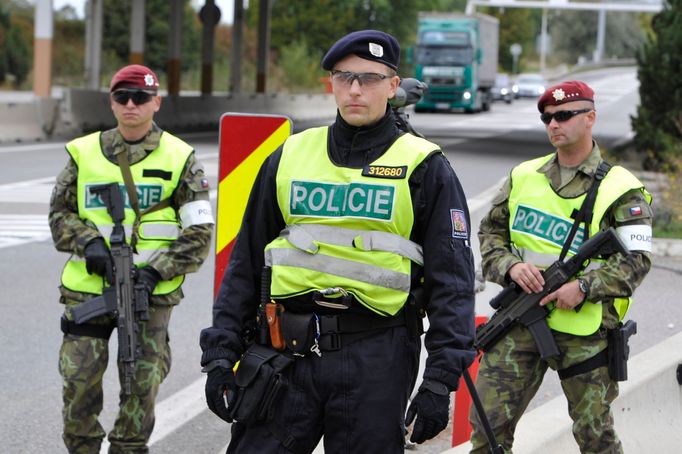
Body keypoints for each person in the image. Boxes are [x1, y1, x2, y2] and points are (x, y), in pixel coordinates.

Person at [200, 30, 477, 453]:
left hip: (376, 355)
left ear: (393, 85)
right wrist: (221, 351)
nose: (354, 89)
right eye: (344, 77)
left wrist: (439, 382)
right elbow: (247, 262)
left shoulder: (425, 166)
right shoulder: (288, 156)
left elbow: (452, 284)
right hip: (286, 353)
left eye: (368, 78)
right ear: (330, 83)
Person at [469, 80, 653, 453]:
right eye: (548, 118)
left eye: (565, 116)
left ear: (590, 118)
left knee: (595, 437)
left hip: (584, 330)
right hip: (520, 320)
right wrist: (509, 267)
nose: (554, 124)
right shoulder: (524, 176)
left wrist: (584, 287)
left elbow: (637, 260)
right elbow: (490, 233)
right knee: (487, 430)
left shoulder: (621, 188)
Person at [49, 64, 214, 454]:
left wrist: (156, 271)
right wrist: (88, 242)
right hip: (88, 291)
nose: (131, 105)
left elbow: (199, 231)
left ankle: (128, 448)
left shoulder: (181, 157)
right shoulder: (84, 153)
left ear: (156, 102)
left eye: (140, 97)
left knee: (141, 386)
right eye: (122, 96)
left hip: (149, 294)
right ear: (111, 102)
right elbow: (60, 214)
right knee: (78, 385)